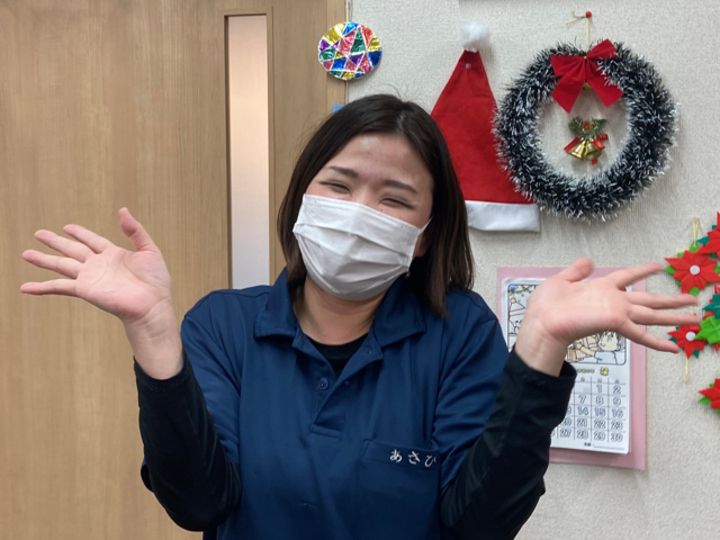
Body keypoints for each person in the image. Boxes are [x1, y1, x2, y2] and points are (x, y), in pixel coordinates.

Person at [20, 94, 697, 540]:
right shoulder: (222, 326)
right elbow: (198, 503)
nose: (357, 213)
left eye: (394, 199)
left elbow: (479, 526)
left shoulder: (459, 334)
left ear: (423, 236)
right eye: (339, 186)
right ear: (302, 198)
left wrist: (541, 346)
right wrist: (151, 333)